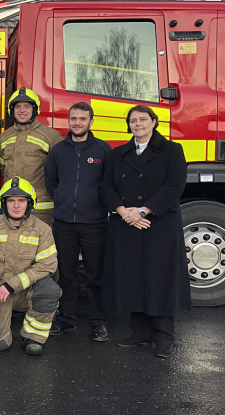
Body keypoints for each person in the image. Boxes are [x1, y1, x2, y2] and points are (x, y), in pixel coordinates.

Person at [101, 105, 190, 358]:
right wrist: (123, 212)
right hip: (127, 222)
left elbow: (174, 186)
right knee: (133, 276)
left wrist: (143, 211)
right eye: (133, 121)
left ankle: (163, 336)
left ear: (154, 122)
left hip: (158, 223)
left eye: (143, 119)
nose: (137, 124)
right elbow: (106, 187)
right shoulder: (119, 153)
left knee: (160, 277)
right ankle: (139, 332)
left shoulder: (172, 150)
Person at [44, 102, 112, 341]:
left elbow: (109, 185)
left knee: (96, 274)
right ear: (68, 121)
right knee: (66, 274)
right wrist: (63, 199)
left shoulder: (103, 150)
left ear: (91, 122)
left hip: (94, 223)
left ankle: (99, 322)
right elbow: (51, 182)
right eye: (73, 118)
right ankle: (66, 320)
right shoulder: (58, 150)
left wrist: (96, 206)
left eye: (83, 119)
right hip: (64, 223)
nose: (77, 123)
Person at [0, 177, 60, 356]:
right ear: (4, 203)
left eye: (21, 200)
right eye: (11, 200)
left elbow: (47, 264)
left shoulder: (42, 230)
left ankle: (33, 337)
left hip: (26, 291)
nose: (16, 206)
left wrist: (13, 284)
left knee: (49, 289)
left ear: (30, 203)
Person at [0, 88, 62, 226]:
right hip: (12, 209)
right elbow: (2, 169)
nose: (22, 110)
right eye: (18, 107)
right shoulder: (4, 138)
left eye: (27, 106)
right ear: (11, 110)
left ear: (35, 110)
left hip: (41, 209)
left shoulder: (51, 137)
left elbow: (61, 172)